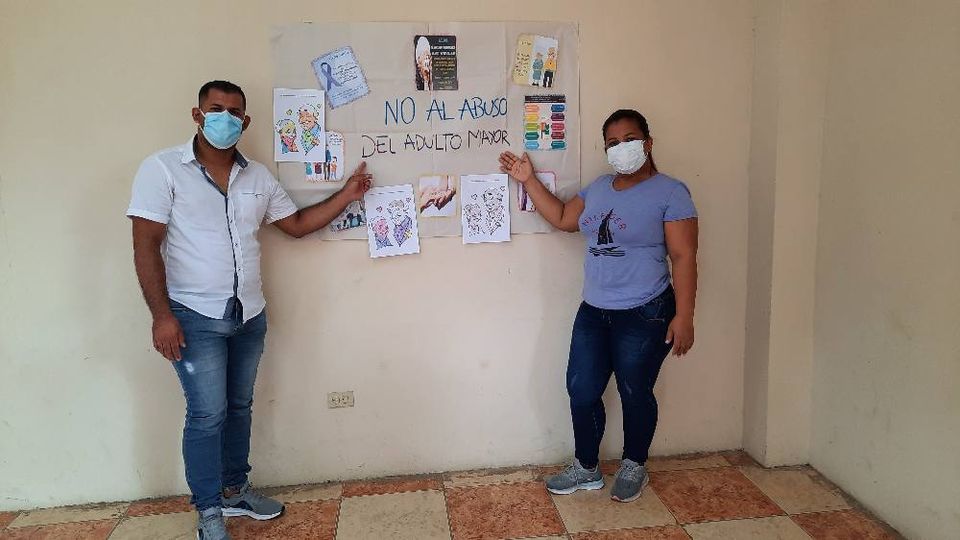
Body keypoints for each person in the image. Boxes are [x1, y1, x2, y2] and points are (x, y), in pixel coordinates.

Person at [127, 80, 372, 540]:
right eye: (215, 109)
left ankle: (234, 491)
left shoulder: (257, 177)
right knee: (207, 415)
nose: (225, 118)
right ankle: (208, 512)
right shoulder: (162, 169)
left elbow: (296, 225)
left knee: (239, 407)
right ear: (197, 115)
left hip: (249, 315)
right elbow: (145, 246)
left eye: (234, 112)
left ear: (246, 121)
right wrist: (161, 316)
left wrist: (347, 194)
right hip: (193, 317)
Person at [499, 109, 698, 503]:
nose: (621, 148)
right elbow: (562, 217)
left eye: (630, 139)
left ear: (648, 142)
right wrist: (528, 180)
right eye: (612, 143)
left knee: (634, 391)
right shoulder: (600, 188)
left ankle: (634, 464)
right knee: (581, 389)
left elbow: (684, 256)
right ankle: (587, 468)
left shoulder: (671, 192)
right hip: (594, 310)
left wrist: (684, 315)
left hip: (646, 311)